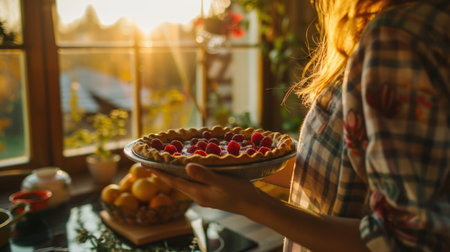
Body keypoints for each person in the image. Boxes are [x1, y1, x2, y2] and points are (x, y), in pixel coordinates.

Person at [147, 0, 449, 251]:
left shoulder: (397, 38)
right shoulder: (410, 24)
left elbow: (402, 242)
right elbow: (347, 171)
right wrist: (237, 165)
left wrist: (251, 204)